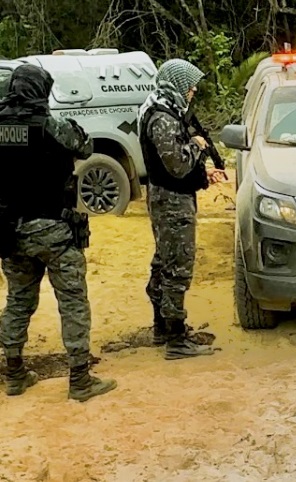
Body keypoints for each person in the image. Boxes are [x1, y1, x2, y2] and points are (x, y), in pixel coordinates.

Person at [0, 64, 117, 401]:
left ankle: (14, 374)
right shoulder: (49, 125)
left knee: (18, 301)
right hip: (54, 230)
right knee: (72, 302)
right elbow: (84, 146)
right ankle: (80, 380)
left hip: (10, 231)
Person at [138, 59, 225, 360]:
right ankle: (176, 338)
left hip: (170, 196)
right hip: (172, 201)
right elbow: (176, 164)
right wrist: (198, 145)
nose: (193, 90)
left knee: (165, 260)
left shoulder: (165, 110)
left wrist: (203, 175)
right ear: (176, 84)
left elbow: (176, 165)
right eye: (189, 84)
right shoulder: (162, 117)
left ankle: (163, 327)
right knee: (177, 267)